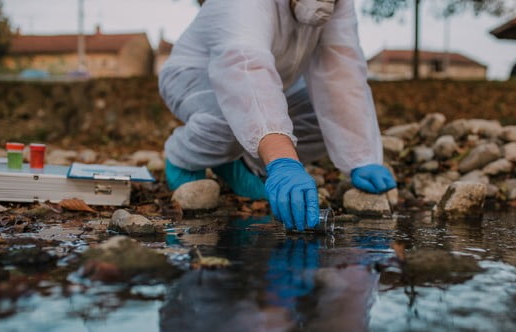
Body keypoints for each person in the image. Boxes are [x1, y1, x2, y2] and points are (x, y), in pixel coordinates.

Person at [159, 0, 396, 231]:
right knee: (232, 119)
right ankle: (183, 158)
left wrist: (361, 157)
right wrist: (283, 160)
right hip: (195, 76)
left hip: (276, 81)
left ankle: (240, 161)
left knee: (324, 121)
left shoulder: (339, 5)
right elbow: (245, 70)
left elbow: (340, 71)